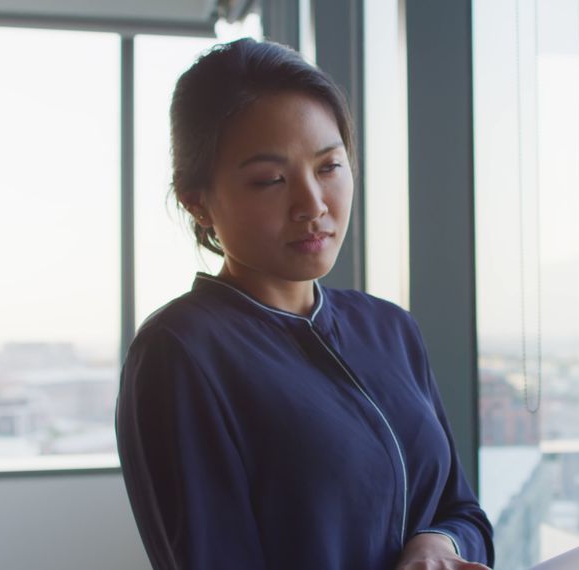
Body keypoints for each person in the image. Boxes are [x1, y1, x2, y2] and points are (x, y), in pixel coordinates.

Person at [115, 38, 495, 570]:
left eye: (329, 166)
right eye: (270, 180)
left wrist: (438, 545)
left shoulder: (389, 329)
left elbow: (462, 510)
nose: (312, 205)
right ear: (196, 199)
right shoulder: (182, 353)